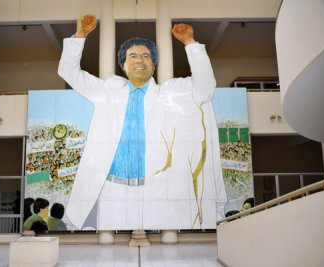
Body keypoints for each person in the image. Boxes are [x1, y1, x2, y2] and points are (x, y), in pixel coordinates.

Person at [58, 14, 227, 230]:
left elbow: (204, 88)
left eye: (146, 56)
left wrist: (190, 44)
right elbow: (68, 72)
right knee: (111, 253)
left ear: (154, 64)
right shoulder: (107, 91)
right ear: (123, 65)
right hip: (112, 189)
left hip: (155, 190)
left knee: (159, 253)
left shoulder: (169, 94)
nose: (140, 60)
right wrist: (80, 35)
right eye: (133, 56)